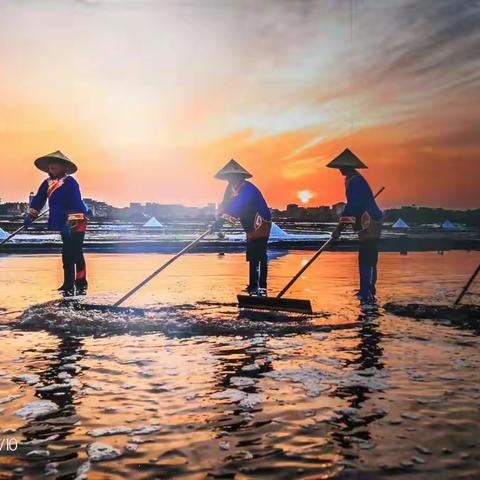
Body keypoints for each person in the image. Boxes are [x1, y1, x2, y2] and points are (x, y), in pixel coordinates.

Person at [25, 151, 88, 297]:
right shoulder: (47, 183)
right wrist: (30, 215)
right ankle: (68, 283)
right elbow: (39, 199)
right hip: (62, 222)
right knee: (66, 253)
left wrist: (70, 223)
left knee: (75, 252)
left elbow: (76, 203)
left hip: (77, 220)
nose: (52, 167)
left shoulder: (70, 183)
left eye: (56, 164)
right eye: (50, 164)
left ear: (64, 167)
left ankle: (80, 282)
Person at [328, 148, 382, 303]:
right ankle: (367, 290)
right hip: (366, 221)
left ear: (346, 167)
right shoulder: (352, 179)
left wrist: (338, 229)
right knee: (368, 257)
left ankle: (367, 291)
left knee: (367, 257)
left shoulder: (356, 181)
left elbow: (352, 206)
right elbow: (353, 206)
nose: (339, 170)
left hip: (369, 221)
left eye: (341, 167)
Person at [213, 159, 272, 296]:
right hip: (249, 224)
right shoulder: (230, 188)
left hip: (261, 222)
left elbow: (239, 205)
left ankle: (262, 287)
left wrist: (223, 219)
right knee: (251, 255)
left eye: (233, 177)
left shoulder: (247, 189)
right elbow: (225, 204)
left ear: (240, 176)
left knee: (260, 255)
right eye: (228, 177)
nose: (231, 180)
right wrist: (218, 220)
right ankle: (252, 286)